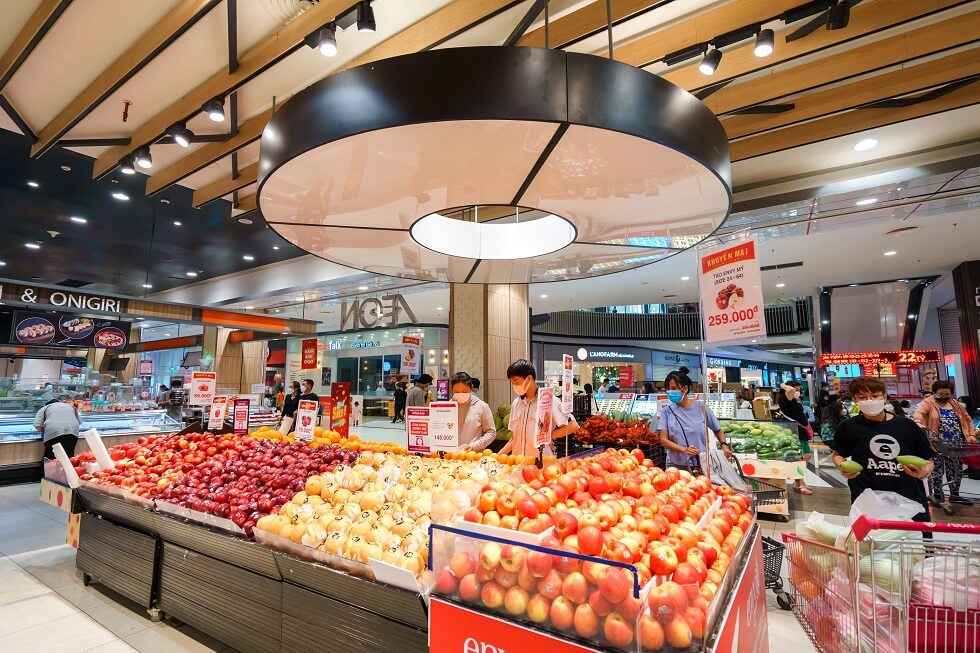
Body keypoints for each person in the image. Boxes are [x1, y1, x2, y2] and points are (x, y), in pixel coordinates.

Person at [832, 377, 934, 521]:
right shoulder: (848, 427)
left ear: (885, 397)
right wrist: (842, 467)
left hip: (908, 496)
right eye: (862, 397)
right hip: (867, 497)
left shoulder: (907, 426)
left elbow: (928, 460)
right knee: (872, 534)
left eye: (875, 396)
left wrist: (923, 472)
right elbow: (838, 454)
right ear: (855, 400)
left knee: (913, 534)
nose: (869, 401)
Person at [912, 381, 977, 510]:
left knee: (956, 470)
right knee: (937, 470)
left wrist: (971, 434)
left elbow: (968, 419)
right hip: (936, 444)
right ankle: (937, 495)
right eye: (940, 393)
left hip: (956, 444)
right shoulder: (927, 403)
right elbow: (917, 416)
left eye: (947, 394)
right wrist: (921, 426)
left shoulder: (955, 404)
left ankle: (955, 495)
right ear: (934, 392)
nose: (944, 396)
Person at [657, 367, 730, 472]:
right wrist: (684, 450)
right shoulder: (667, 411)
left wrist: (724, 445)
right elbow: (664, 440)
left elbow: (717, 429)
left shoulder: (702, 408)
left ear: (685, 389)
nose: (670, 392)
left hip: (700, 463)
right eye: (668, 389)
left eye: (674, 388)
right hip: (675, 465)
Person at [500, 359, 577, 458]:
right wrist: (496, 456)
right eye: (513, 383)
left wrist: (549, 436)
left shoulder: (548, 400)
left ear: (529, 378)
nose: (515, 386)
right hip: (518, 463)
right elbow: (514, 438)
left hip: (540, 462)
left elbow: (573, 426)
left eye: (516, 382)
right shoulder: (516, 404)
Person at [777, 381, 813, 494]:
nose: (798, 392)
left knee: (806, 455)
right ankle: (799, 483)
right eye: (796, 389)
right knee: (799, 457)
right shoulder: (785, 398)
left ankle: (799, 481)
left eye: (799, 389)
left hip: (800, 429)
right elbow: (791, 390)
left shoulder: (793, 400)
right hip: (794, 430)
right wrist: (783, 385)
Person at [451, 372, 497, 452]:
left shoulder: (481, 406)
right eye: (457, 392)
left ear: (471, 388)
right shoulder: (447, 407)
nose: (460, 394)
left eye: (464, 391)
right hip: (451, 455)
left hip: (473, 455)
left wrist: (475, 445)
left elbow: (491, 432)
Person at [34, 394, 82, 459]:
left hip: (54, 432)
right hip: (72, 431)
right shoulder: (70, 406)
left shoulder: (45, 408)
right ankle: (68, 465)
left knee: (50, 455)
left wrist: (44, 430)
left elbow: (37, 425)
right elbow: (79, 422)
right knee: (69, 455)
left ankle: (49, 465)